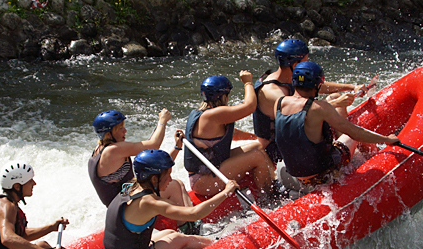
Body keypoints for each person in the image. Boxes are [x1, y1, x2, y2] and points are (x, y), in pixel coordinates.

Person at [103, 149, 238, 249]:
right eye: (168, 175)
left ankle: (213, 242)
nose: (170, 179)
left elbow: (157, 171)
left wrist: (176, 148)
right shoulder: (150, 203)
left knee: (168, 233)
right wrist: (226, 191)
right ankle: (222, 245)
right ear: (154, 179)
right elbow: (194, 214)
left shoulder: (131, 186)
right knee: (178, 238)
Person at [274, 61, 399, 193]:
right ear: (318, 85)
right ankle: (374, 158)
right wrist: (387, 138)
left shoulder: (279, 102)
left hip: (295, 172)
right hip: (320, 175)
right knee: (351, 138)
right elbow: (355, 132)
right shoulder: (319, 108)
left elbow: (297, 127)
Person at [253, 38, 369, 164]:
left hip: (293, 136)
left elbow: (316, 85)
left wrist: (351, 87)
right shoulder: (271, 91)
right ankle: (346, 151)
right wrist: (333, 105)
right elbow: (300, 113)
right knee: (334, 102)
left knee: (334, 97)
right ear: (295, 65)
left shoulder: (290, 76)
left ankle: (344, 149)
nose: (308, 63)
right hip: (276, 149)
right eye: (306, 60)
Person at [88, 108, 199, 234]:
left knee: (177, 182)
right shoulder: (112, 151)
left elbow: (155, 168)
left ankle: (191, 220)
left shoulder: (101, 149)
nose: (125, 130)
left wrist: (176, 148)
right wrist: (162, 121)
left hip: (126, 201)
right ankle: (189, 228)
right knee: (174, 186)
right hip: (127, 208)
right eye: (120, 128)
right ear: (108, 135)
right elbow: (154, 145)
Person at [184, 71, 275, 200]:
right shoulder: (213, 115)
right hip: (204, 181)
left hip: (211, 169)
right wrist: (248, 82)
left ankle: (272, 183)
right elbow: (250, 107)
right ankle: (268, 199)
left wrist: (253, 137)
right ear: (223, 96)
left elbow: (233, 134)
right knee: (258, 157)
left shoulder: (205, 114)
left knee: (257, 147)